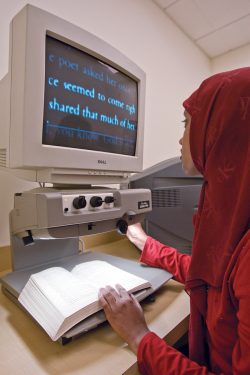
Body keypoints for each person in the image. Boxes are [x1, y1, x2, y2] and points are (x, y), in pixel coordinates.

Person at [98, 67, 250, 374]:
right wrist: (148, 245)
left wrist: (140, 337)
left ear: (221, 129)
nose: (181, 139)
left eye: (187, 124)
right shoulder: (234, 206)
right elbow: (213, 278)